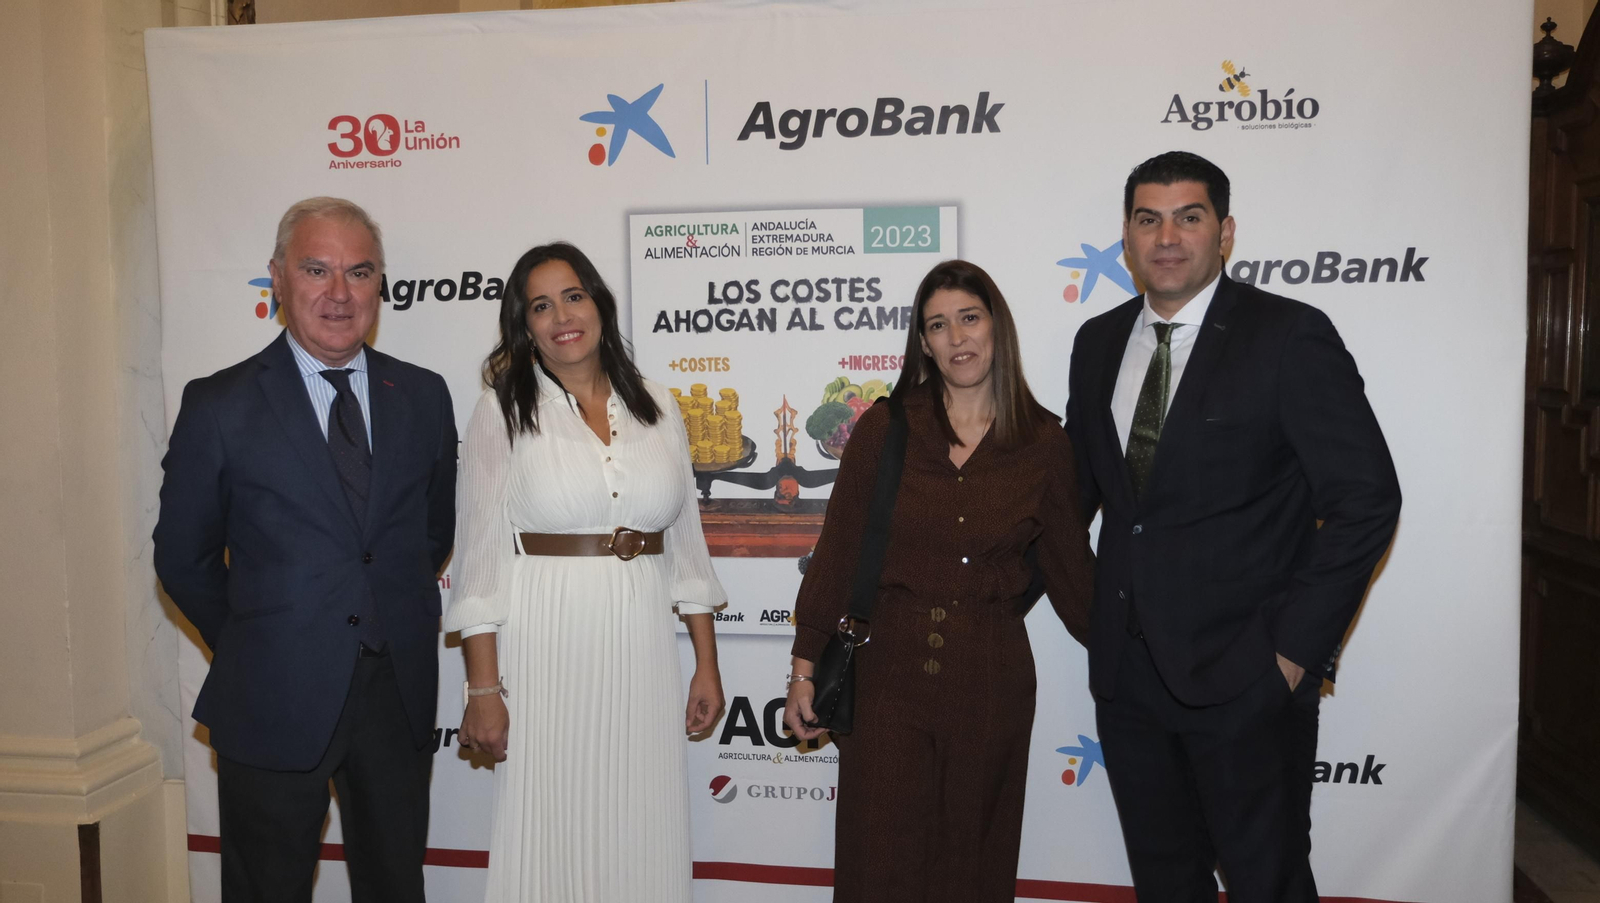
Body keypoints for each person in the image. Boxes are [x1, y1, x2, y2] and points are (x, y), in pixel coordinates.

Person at [1064, 151, 1402, 901]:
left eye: (1190, 216)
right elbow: (1075, 500)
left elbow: (1367, 497)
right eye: (1149, 219)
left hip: (1246, 674)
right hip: (1129, 681)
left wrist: (1290, 655)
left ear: (1226, 231)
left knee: (1267, 881)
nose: (1168, 236)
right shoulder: (1095, 345)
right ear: (1127, 237)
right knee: (1166, 882)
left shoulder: (1288, 335)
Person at [154, 197, 457, 903]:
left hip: (396, 694)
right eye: (316, 269)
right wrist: (255, 641)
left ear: (380, 284)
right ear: (277, 278)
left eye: (359, 271)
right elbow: (182, 557)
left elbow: (429, 534)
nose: (339, 292)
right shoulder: (219, 404)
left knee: (394, 885)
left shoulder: (422, 395)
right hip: (270, 695)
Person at [782, 259, 1095, 903]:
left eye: (969, 318)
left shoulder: (1044, 443)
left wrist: (1151, 657)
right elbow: (838, 552)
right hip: (888, 679)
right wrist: (803, 670)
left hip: (991, 681)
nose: (958, 338)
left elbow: (1073, 578)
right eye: (939, 325)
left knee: (972, 869)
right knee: (879, 865)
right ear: (923, 343)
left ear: (997, 326)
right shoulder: (887, 427)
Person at [445, 242, 725, 902]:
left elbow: (686, 545)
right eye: (540, 305)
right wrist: (482, 690)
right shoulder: (502, 410)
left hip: (641, 645)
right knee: (551, 822)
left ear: (599, 302)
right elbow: (479, 561)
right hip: (546, 642)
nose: (561, 315)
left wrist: (706, 663)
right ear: (524, 325)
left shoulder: (657, 403)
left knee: (643, 817)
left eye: (573, 295)